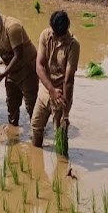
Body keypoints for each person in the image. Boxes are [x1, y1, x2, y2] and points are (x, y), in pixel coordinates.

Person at [0, 1, 38, 126]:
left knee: (31, 105)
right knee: (11, 105)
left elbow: (18, 55)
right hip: (11, 71)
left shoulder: (12, 27)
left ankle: (37, 135)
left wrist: (3, 74)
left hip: (27, 69)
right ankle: (13, 132)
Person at [32, 10, 80, 148]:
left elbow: (68, 80)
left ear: (66, 30)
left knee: (60, 133)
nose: (57, 38)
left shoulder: (73, 46)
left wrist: (66, 114)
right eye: (54, 33)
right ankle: (37, 159)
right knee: (36, 126)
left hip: (61, 95)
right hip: (45, 89)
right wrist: (50, 89)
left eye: (60, 36)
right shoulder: (45, 35)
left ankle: (63, 164)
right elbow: (39, 66)